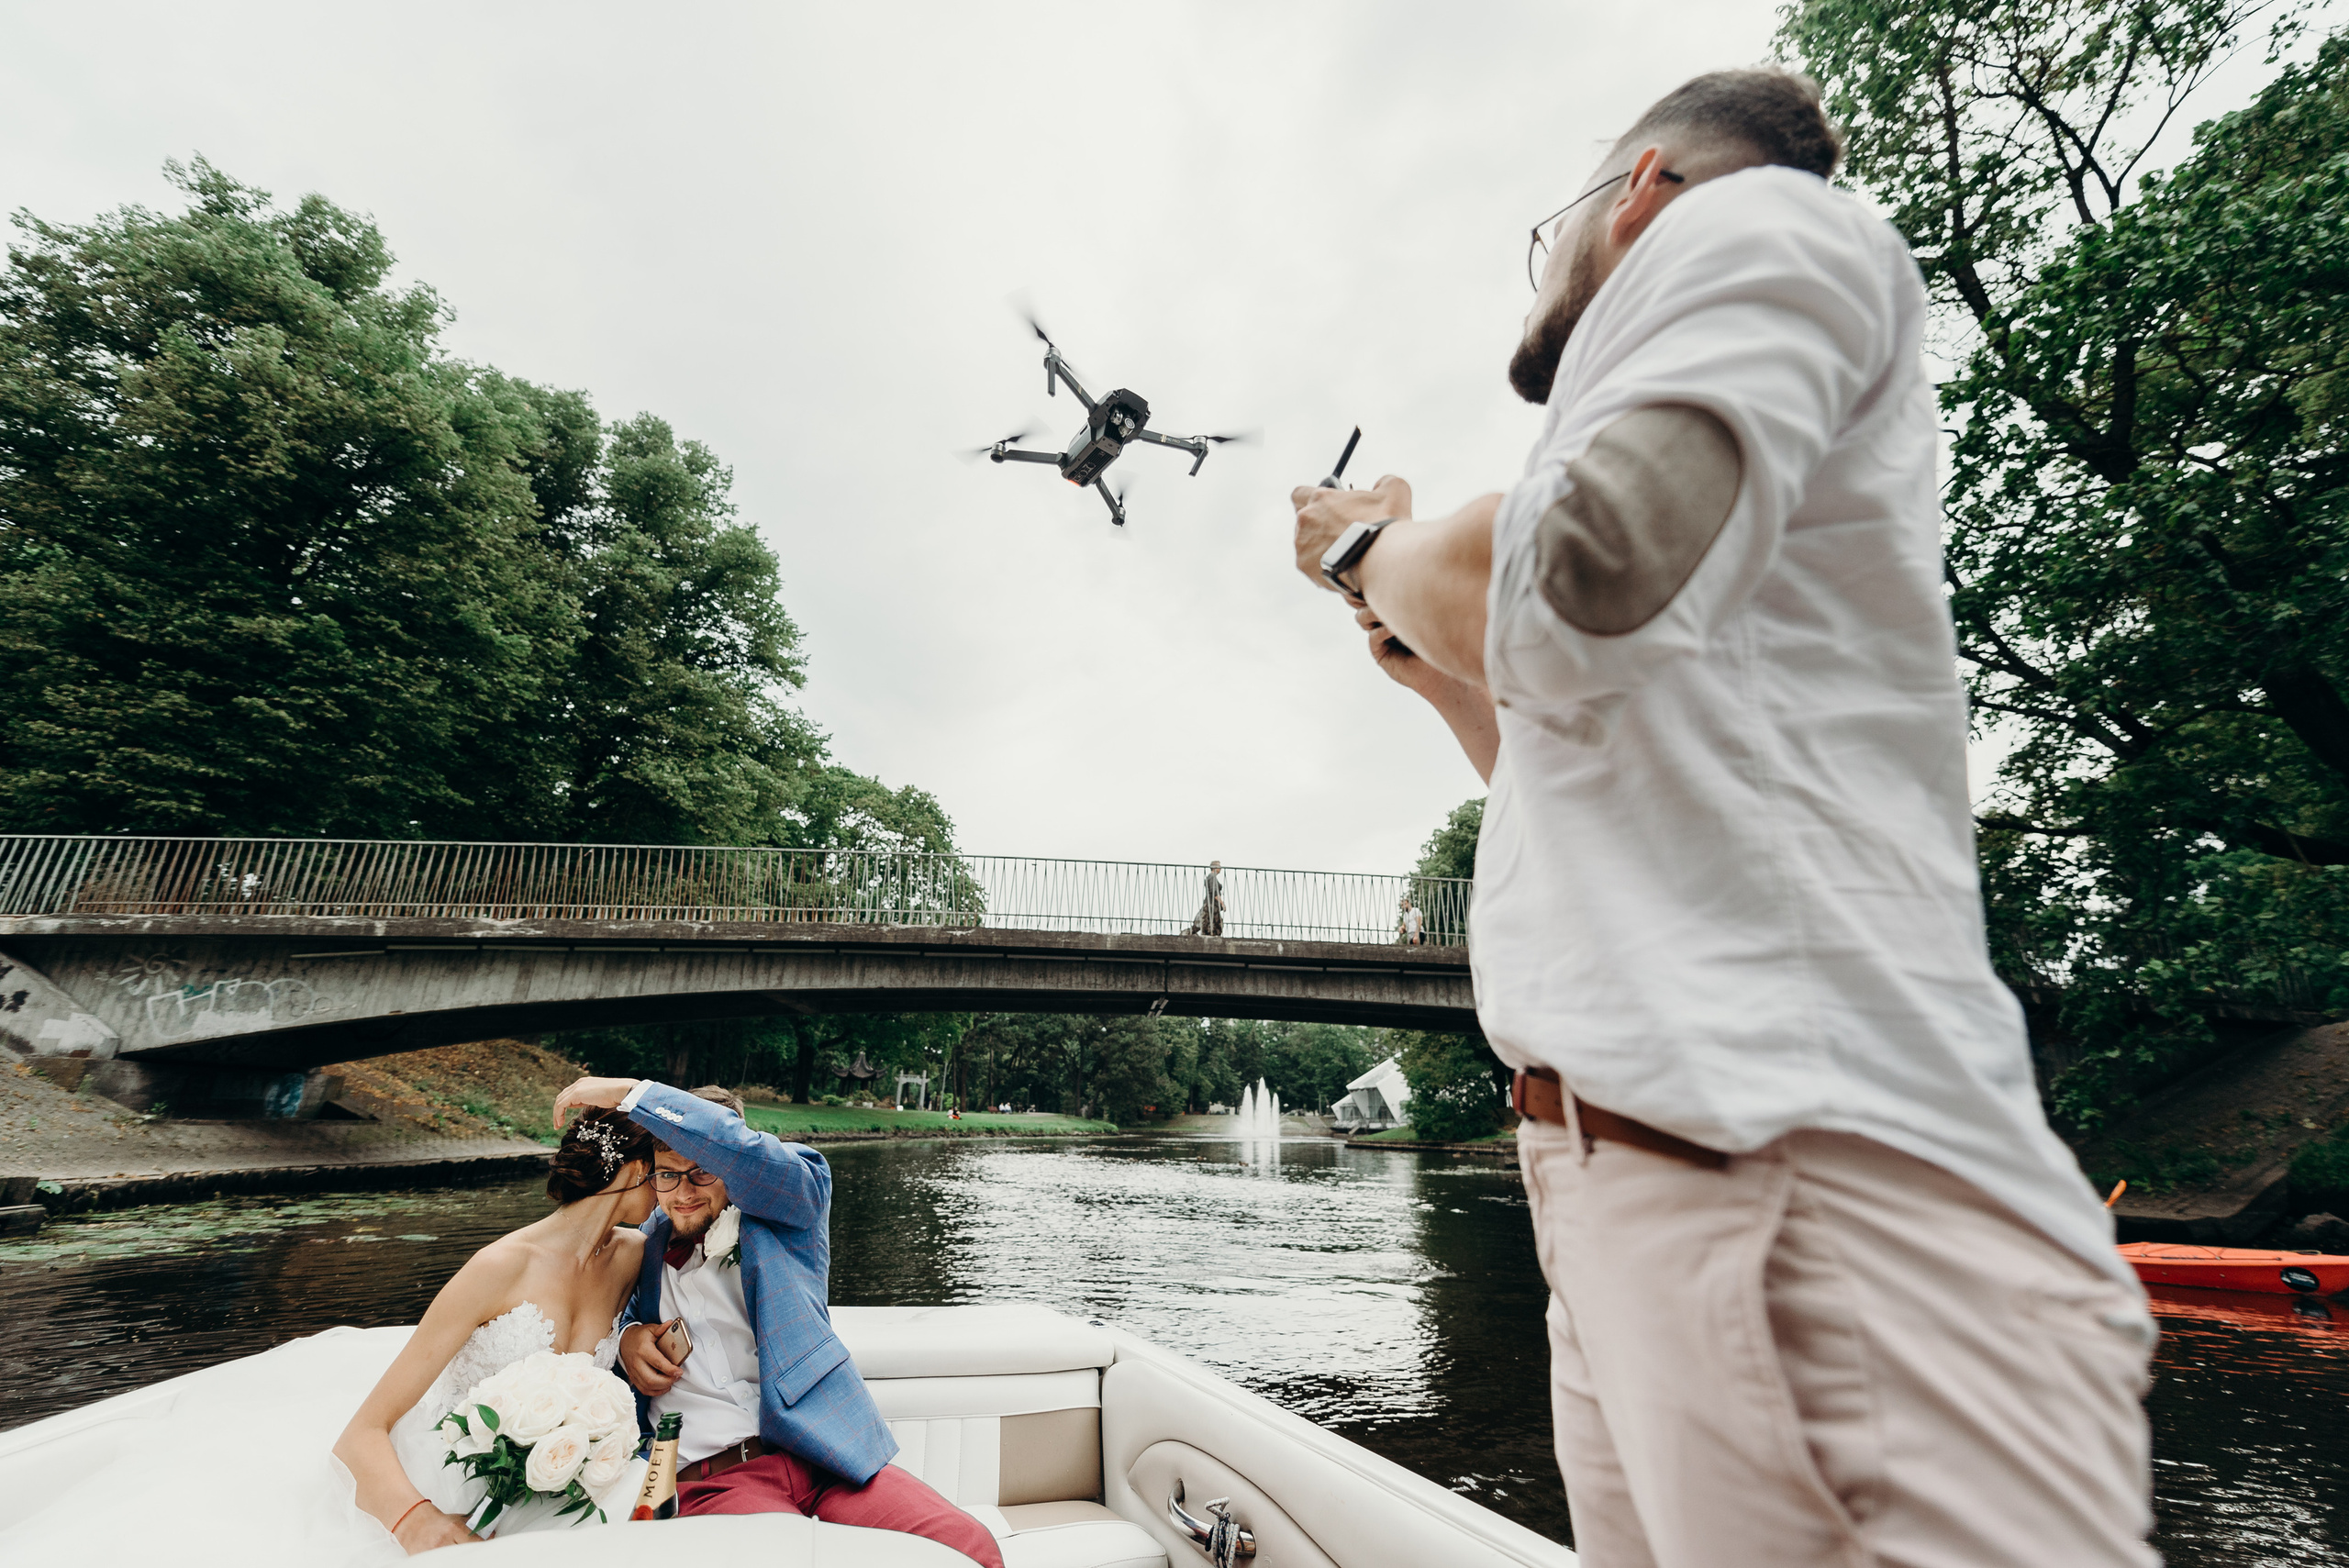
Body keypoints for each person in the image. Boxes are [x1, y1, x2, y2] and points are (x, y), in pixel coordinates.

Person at [1288, 68, 2155, 1568]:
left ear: (1634, 192)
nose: (1551, 268)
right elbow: (1599, 798)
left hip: (1788, 1190)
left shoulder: (1754, 221)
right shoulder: (1719, 425)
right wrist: (1435, 667)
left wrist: (1373, 544)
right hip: (1639, 1188)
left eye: (1550, 228)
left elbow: (1585, 570)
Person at [0, 1109, 662, 1563]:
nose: (677, 1184)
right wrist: (417, 1523)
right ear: (634, 1171)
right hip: (449, 1476)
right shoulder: (498, 1267)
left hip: (560, 1483)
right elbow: (361, 1433)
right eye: (666, 1167)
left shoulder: (632, 1254)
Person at [552, 1075, 1004, 1566]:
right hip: (715, 1478)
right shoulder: (644, 1243)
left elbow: (748, 1155)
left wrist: (629, 1092)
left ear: (731, 1164)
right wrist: (628, 1339)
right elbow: (602, 1326)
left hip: (823, 1457)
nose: (683, 1192)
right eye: (667, 1173)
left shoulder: (793, 1207)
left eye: (703, 1171)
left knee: (968, 1545)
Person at [1186, 859, 1226, 936]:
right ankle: (1188, 934)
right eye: (1219, 866)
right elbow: (1214, 893)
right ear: (1215, 867)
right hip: (1211, 905)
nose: (1220, 868)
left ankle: (1190, 934)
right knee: (1210, 924)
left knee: (1209, 923)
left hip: (1212, 905)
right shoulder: (1212, 877)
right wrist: (1222, 903)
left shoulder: (1212, 877)